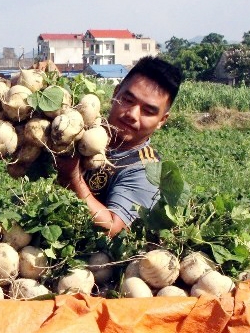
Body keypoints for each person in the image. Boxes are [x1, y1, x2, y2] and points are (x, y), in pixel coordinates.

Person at [56, 56, 183, 237]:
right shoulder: (82, 124)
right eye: (128, 100)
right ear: (115, 94)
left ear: (162, 120)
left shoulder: (147, 170)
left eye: (148, 111)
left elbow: (114, 228)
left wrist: (73, 179)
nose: (132, 114)